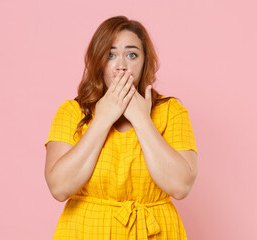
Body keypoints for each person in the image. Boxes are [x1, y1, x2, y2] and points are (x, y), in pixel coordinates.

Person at [44, 15, 198, 240]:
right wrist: (103, 119)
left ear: (145, 61)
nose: (121, 66)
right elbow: (59, 188)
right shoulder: (71, 111)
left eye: (132, 55)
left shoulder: (171, 111)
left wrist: (141, 119)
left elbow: (180, 186)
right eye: (110, 55)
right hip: (85, 232)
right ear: (98, 61)